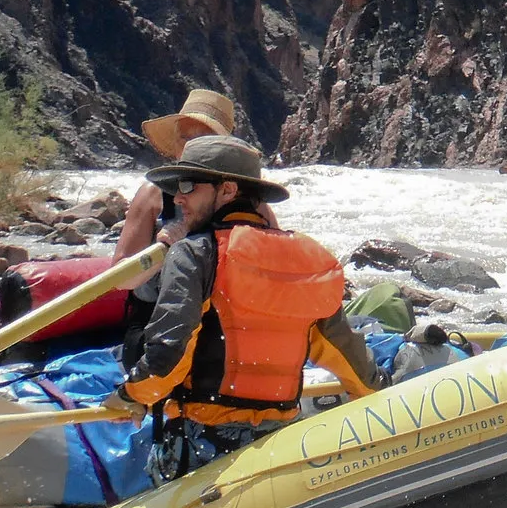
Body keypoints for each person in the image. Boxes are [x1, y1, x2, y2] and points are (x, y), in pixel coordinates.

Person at [111, 134, 378, 473]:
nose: (178, 197)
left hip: (200, 444)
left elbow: (167, 356)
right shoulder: (308, 258)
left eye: (189, 185)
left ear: (227, 190)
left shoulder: (194, 254)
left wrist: (131, 395)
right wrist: (379, 390)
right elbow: (347, 355)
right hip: (278, 443)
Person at [112, 88, 238, 266]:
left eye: (202, 140)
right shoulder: (153, 193)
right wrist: (160, 249)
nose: (190, 148)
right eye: (184, 138)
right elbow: (120, 277)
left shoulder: (249, 198)